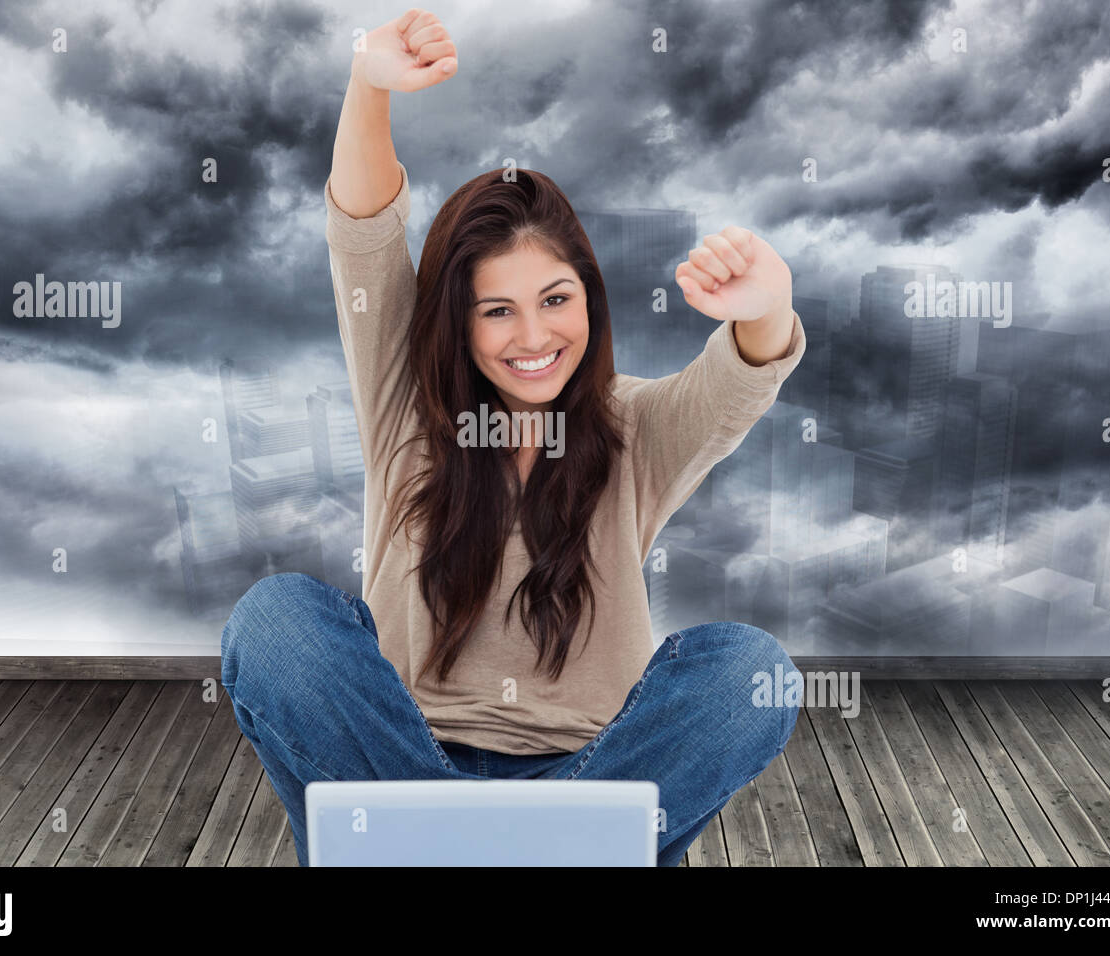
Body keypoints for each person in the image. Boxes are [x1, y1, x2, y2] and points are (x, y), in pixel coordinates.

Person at [221, 7, 808, 867]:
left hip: (597, 781)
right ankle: (476, 847)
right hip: (399, 770)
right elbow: (363, 233)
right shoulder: (407, 406)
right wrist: (368, 82)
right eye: (497, 311)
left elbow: (741, 377)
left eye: (555, 300)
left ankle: (489, 853)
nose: (533, 338)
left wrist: (766, 300)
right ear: (457, 324)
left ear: (589, 301)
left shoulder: (633, 425)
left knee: (749, 671)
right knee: (273, 620)